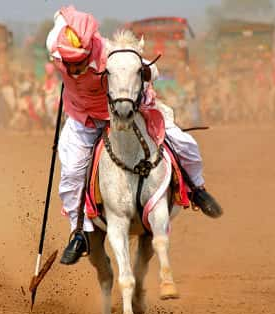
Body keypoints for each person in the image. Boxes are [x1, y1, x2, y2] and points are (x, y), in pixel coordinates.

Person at [46, 6, 222, 265]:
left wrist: (147, 73)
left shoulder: (108, 51)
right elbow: (60, 17)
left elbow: (150, 69)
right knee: (71, 173)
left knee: (185, 144)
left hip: (124, 113)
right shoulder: (56, 45)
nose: (73, 71)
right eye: (69, 65)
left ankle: (197, 188)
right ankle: (79, 232)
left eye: (79, 64)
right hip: (82, 118)